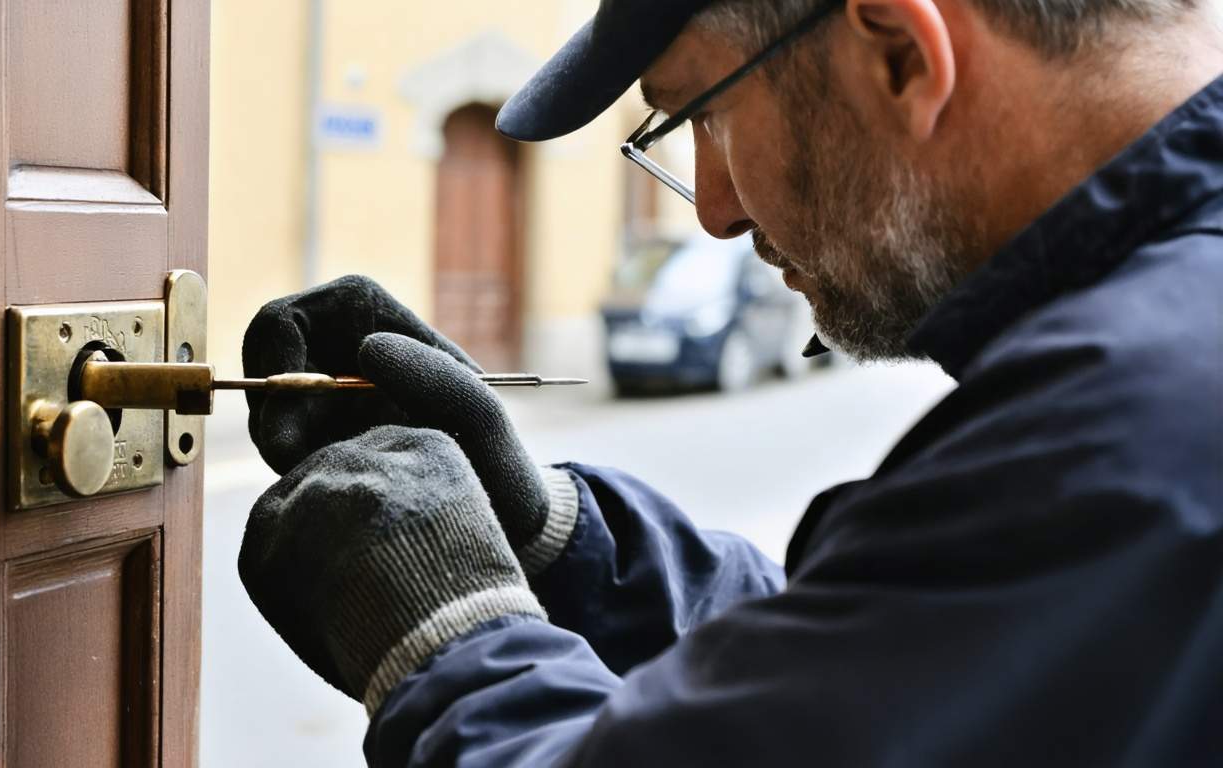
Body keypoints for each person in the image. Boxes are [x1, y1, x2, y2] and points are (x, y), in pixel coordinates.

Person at [236, 0, 1223, 764]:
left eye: (701, 114)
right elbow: (855, 676)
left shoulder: (1124, 430)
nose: (710, 211)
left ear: (901, 52)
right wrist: (553, 536)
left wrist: (442, 628)